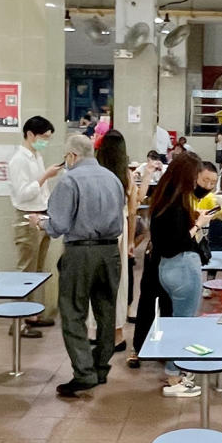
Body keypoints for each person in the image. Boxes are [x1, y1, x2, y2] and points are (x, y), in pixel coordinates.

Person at [44, 135, 124, 396]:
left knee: (73, 311)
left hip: (81, 253)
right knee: (106, 310)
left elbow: (59, 226)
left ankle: (84, 372)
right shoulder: (113, 179)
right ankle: (101, 366)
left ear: (72, 156)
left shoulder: (69, 180)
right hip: (111, 251)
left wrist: (39, 222)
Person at [150, 153, 222, 397]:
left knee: (175, 322)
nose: (198, 181)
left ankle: (175, 370)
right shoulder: (176, 205)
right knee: (184, 324)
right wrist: (198, 224)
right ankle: (175, 377)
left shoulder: (164, 197)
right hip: (183, 267)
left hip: (166, 268)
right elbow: (178, 240)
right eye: (196, 176)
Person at [8, 116, 61, 336]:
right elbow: (23, 193)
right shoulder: (18, 160)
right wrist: (45, 175)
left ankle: (31, 314)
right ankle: (17, 322)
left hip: (42, 214)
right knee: (25, 270)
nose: (45, 142)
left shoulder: (36, 156)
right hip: (27, 215)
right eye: (44, 137)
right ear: (31, 134)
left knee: (37, 270)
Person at [96, 130, 138, 352]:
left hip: (94, 230)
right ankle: (117, 334)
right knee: (119, 283)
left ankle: (95, 331)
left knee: (96, 282)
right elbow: (132, 211)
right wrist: (130, 242)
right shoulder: (125, 175)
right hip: (118, 230)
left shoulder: (94, 172)